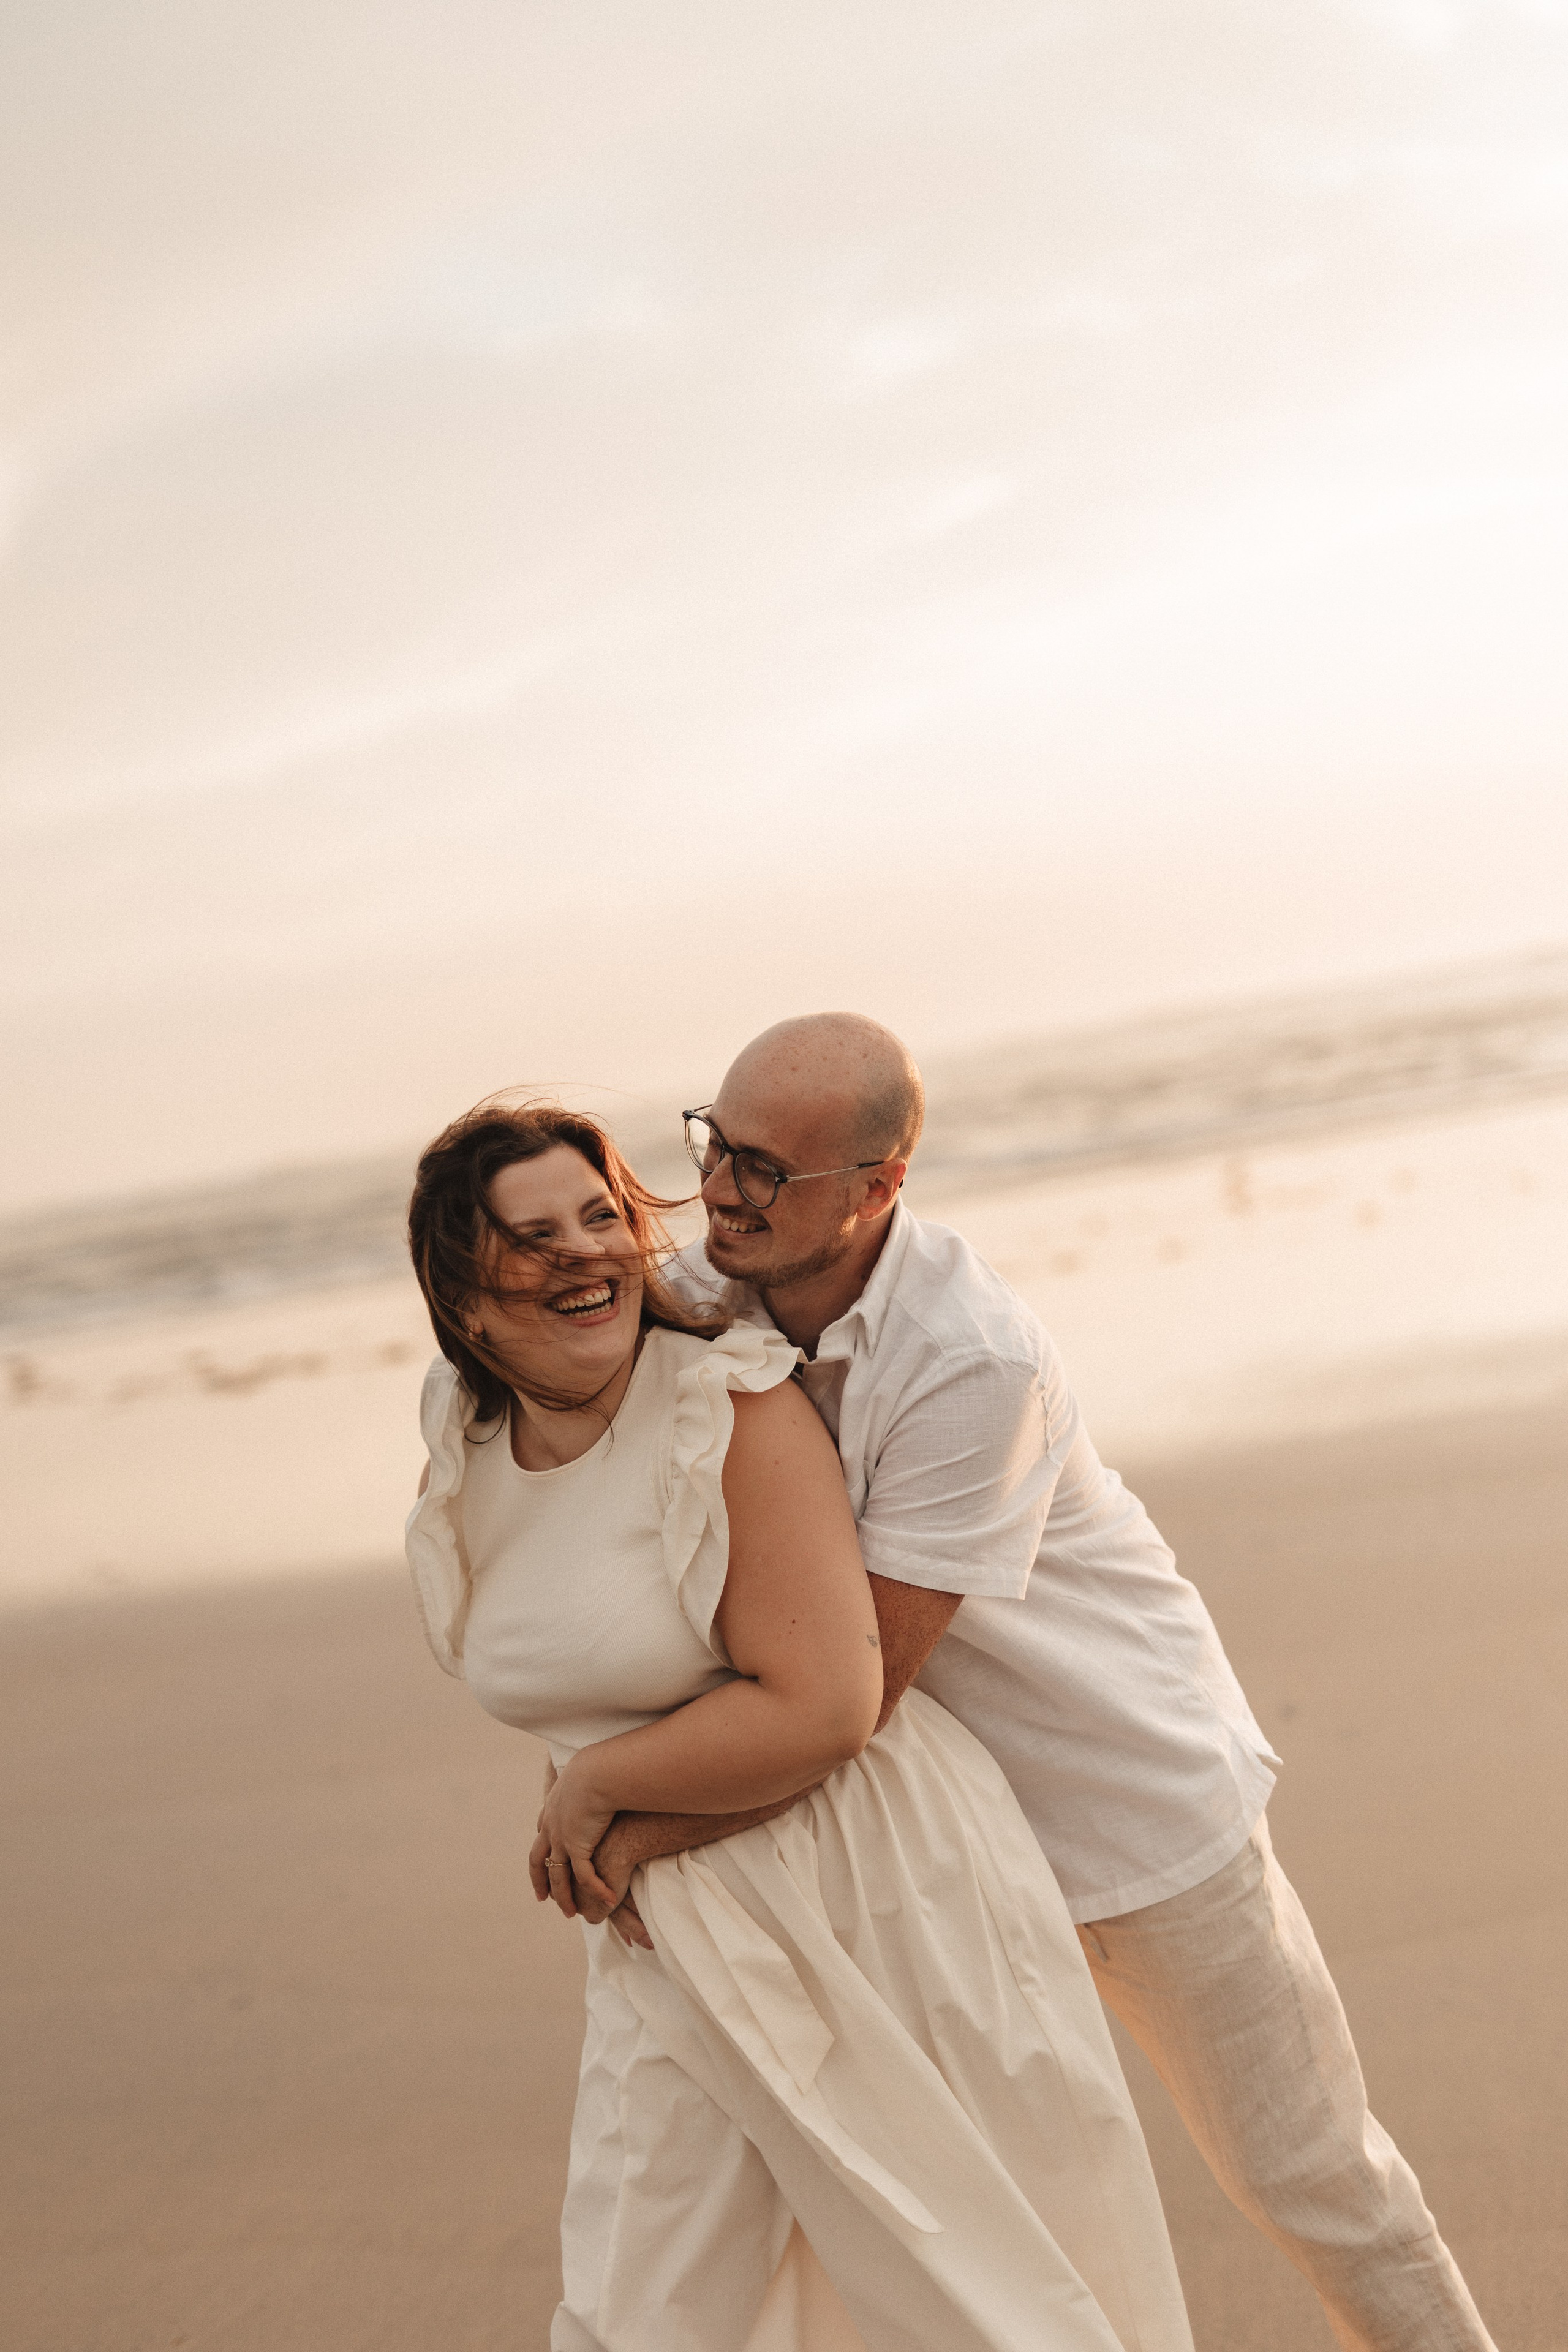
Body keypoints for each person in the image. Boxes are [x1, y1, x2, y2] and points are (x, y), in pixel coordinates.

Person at [560, 1012, 1498, 2352]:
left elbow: (858, 1681)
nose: (718, 1190)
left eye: (769, 1168)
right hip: (930, 1849)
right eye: (715, 1143)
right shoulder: (714, 1297)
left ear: (878, 1188)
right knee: (949, 2218)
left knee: (1307, 2177)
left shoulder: (970, 1356)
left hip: (1134, 1818)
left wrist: (639, 1827)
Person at [404, 1098, 1196, 2352]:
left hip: (865, 1890)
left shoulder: (729, 1407)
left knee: (964, 2298)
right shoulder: (469, 1434)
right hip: (666, 1922)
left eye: (601, 1217)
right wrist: (599, 1793)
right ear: (463, 1292)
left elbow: (829, 1704)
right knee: (652, 2308)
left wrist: (596, 1784)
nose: (586, 1254)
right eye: (534, 1236)